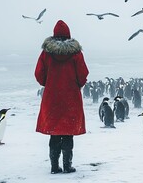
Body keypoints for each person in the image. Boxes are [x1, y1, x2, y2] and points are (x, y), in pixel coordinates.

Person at [35, 20, 89, 174]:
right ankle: (67, 165)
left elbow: (39, 74)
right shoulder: (76, 54)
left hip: (52, 98)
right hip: (71, 98)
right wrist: (76, 84)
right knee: (67, 132)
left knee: (54, 132)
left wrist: (50, 83)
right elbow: (83, 75)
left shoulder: (46, 53)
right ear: (68, 35)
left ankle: (54, 167)